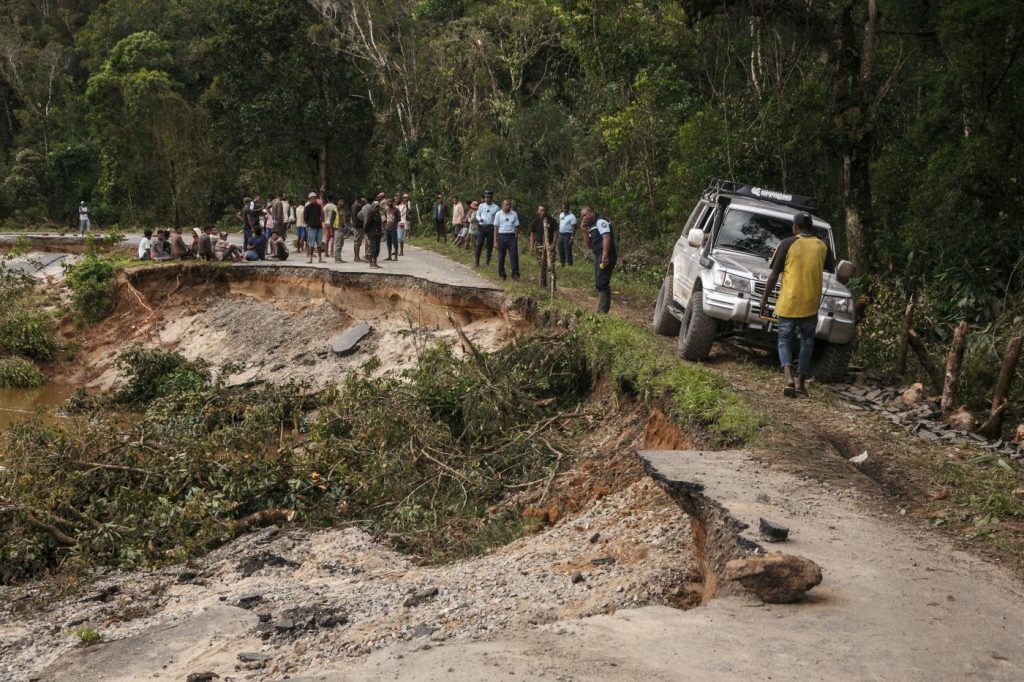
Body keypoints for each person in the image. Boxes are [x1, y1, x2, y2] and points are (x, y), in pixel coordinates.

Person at [759, 211, 835, 397]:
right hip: (811, 304)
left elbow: (774, 275)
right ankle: (801, 383)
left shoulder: (787, 243)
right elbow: (833, 270)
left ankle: (788, 379)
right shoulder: (823, 246)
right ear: (811, 227)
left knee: (784, 340)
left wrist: (765, 298)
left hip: (789, 302)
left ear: (795, 227)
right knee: (807, 343)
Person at [581, 205, 616, 314]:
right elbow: (589, 245)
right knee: (599, 282)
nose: (583, 218)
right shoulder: (592, 226)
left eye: (585, 215)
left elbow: (606, 237)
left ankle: (602, 312)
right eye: (582, 216)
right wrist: (584, 231)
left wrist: (605, 256)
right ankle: (602, 310)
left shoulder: (600, 221)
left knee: (602, 283)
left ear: (591, 213)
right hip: (598, 256)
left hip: (606, 255)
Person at [530, 205, 558, 287]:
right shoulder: (535, 222)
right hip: (539, 246)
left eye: (544, 210)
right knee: (541, 265)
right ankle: (543, 284)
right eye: (541, 210)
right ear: (538, 212)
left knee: (551, 265)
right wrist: (532, 246)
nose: (543, 212)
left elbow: (556, 233)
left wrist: (553, 244)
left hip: (549, 245)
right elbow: (532, 234)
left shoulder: (552, 221)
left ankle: (553, 285)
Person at [494, 198, 520, 280]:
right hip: (502, 236)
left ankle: (515, 274)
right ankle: (502, 273)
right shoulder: (498, 214)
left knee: (514, 255)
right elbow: (496, 227)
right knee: (501, 256)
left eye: (509, 205)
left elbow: (516, 226)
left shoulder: (514, 214)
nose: (508, 206)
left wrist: (516, 236)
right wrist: (495, 241)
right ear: (502, 205)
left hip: (512, 236)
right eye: (506, 205)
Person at [475, 190, 498, 267]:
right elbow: (477, 215)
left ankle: (487, 262)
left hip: (490, 228)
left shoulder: (496, 207)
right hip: (482, 227)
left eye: (489, 197)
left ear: (492, 198)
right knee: (479, 244)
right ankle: (477, 262)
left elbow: (497, 219)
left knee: (489, 245)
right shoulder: (481, 206)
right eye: (486, 197)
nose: (487, 199)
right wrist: (479, 219)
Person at [304, 191, 324, 263]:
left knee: (319, 243)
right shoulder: (307, 207)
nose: (314, 200)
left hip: (319, 227)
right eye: (312, 198)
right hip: (311, 227)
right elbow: (305, 218)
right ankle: (310, 259)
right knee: (311, 243)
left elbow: (320, 215)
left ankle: (320, 259)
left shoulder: (318, 206)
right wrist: (309, 223)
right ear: (309, 199)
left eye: (315, 198)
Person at [363, 196, 384, 269]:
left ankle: (375, 262)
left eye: (378, 207)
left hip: (378, 234)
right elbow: (367, 224)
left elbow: (379, 224)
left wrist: (381, 231)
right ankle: (371, 264)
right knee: (372, 249)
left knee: (377, 249)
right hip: (372, 234)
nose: (377, 208)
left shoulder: (378, 214)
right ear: (373, 207)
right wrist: (366, 233)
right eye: (376, 206)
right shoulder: (371, 214)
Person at [352, 197, 367, 262]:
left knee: (356, 242)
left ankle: (356, 257)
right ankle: (357, 257)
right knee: (357, 242)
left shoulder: (353, 206)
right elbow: (360, 216)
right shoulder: (358, 207)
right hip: (359, 226)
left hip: (355, 225)